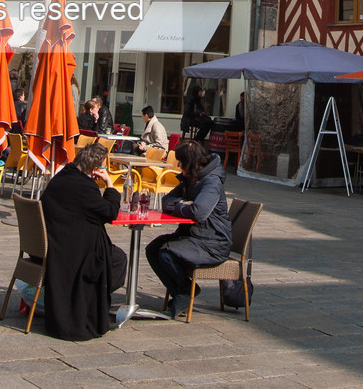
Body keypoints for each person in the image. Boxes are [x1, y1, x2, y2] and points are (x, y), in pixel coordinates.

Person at [38, 142, 127, 340]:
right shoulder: (85, 188)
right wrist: (110, 186)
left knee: (113, 255)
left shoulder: (61, 177)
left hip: (53, 245)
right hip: (72, 252)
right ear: (96, 169)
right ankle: (92, 306)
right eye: (104, 167)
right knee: (117, 258)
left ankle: (93, 303)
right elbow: (109, 212)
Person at [146, 140, 232, 318]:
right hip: (195, 236)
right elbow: (166, 201)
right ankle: (182, 292)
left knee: (165, 253)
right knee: (153, 249)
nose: (177, 165)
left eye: (180, 161)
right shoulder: (190, 178)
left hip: (213, 242)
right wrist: (184, 204)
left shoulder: (211, 182)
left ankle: (183, 293)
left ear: (190, 162)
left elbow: (199, 212)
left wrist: (182, 206)